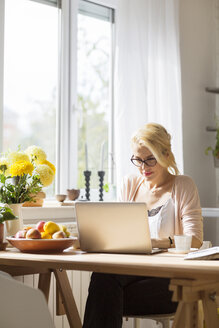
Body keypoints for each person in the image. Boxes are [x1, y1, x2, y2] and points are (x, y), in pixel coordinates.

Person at [83, 123, 203, 328]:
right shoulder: (130, 184)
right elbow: (119, 231)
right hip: (130, 274)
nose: (143, 168)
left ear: (165, 154)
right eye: (137, 160)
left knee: (104, 288)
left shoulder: (183, 185)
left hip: (170, 279)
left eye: (150, 160)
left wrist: (159, 242)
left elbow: (196, 239)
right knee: (104, 279)